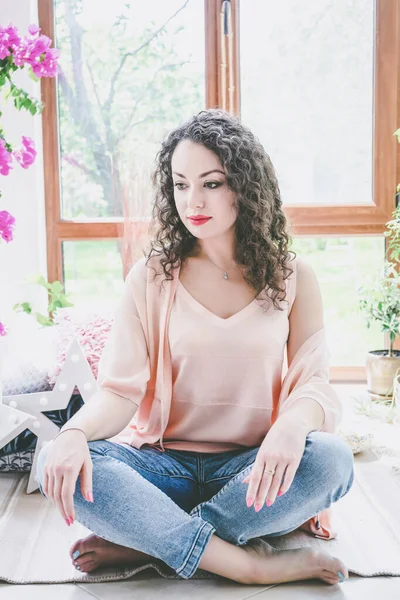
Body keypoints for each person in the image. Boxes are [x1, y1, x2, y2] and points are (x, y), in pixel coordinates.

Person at [36, 109, 354, 586]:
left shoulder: (293, 277)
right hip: (162, 467)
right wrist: (75, 433)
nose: (193, 200)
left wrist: (291, 425)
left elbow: (314, 384)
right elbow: (121, 393)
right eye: (180, 184)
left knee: (332, 459)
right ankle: (246, 565)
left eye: (211, 183)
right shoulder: (151, 276)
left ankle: (151, 541)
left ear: (244, 186)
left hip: (252, 469)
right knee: (55, 459)